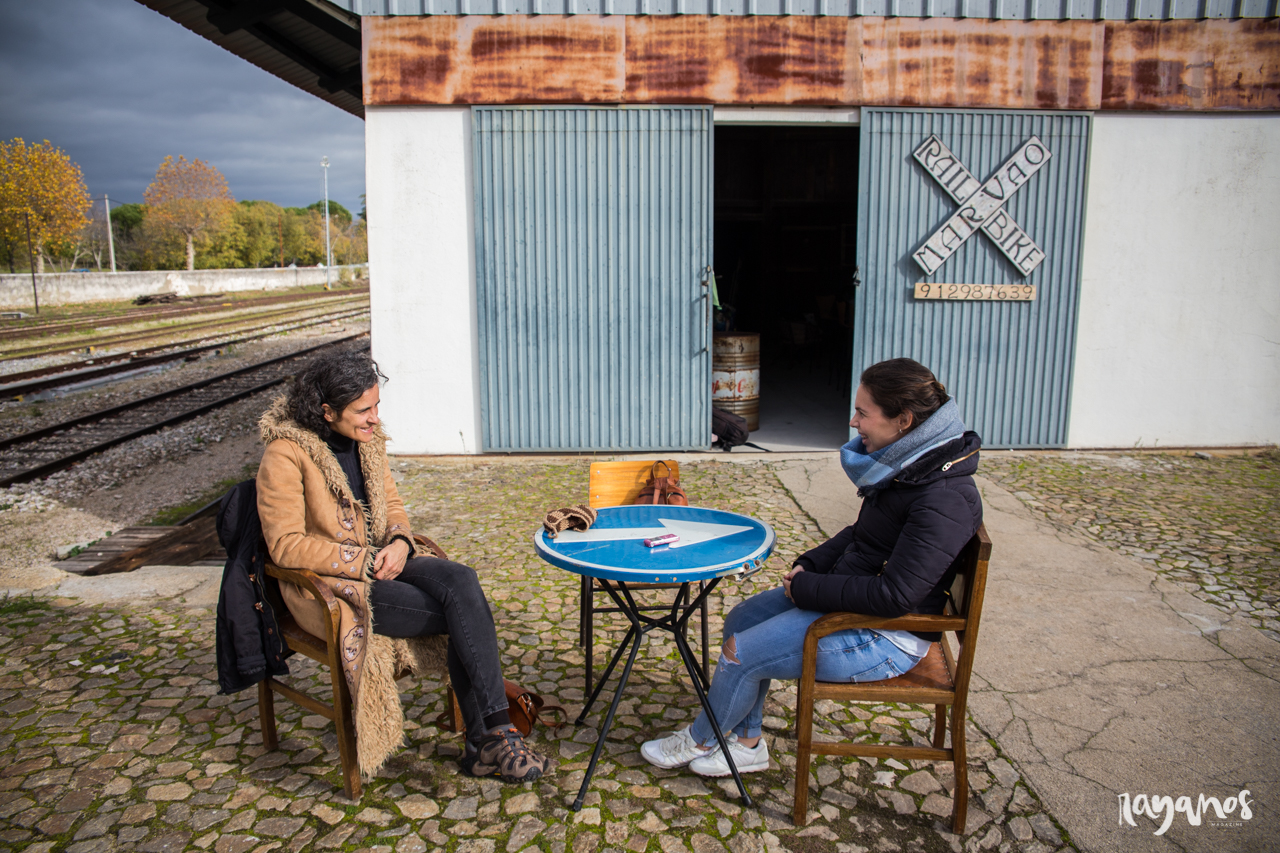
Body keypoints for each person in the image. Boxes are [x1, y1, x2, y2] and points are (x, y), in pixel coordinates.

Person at [641, 357, 982, 777]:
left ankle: (701, 738)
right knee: (741, 619)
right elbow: (861, 534)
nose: (854, 422)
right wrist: (810, 563)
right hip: (856, 603)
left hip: (886, 637)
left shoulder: (942, 496)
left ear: (904, 420)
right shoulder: (911, 467)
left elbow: (896, 596)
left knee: (740, 653)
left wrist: (807, 588)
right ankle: (747, 744)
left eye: (863, 413)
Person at [256, 349, 548, 784]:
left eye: (376, 406)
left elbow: (391, 505)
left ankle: (491, 737)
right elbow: (284, 545)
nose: (375, 419)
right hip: (331, 586)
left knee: (462, 580)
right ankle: (490, 738)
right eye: (364, 410)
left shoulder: (368, 442)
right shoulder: (285, 454)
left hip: (383, 559)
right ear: (327, 411)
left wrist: (397, 542)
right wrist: (362, 559)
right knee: (463, 613)